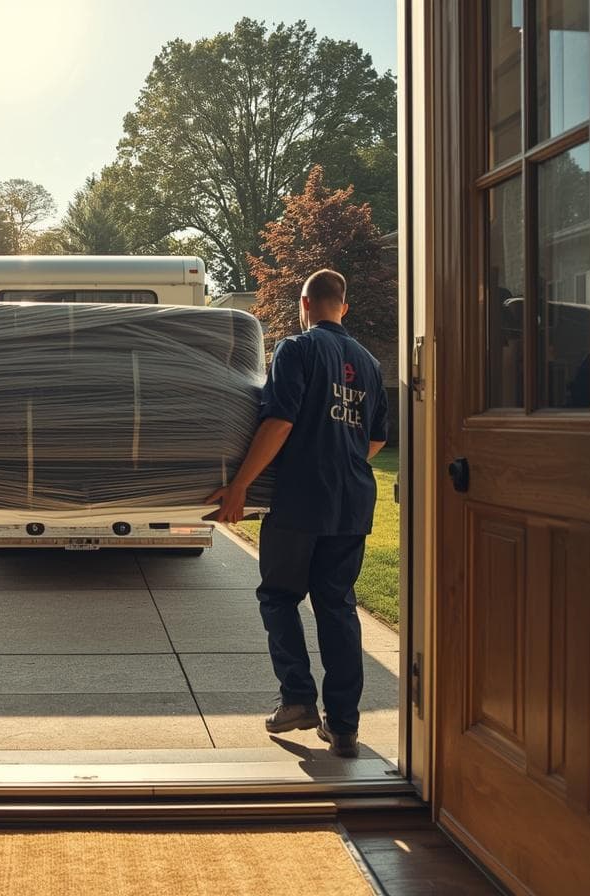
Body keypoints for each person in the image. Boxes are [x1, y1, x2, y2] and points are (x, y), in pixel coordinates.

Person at [207, 269, 388, 759]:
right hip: (352, 501)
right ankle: (345, 727)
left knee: (279, 596)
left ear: (304, 303)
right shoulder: (370, 365)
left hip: (301, 498)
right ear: (343, 307)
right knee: (337, 605)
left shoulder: (297, 349)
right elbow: (376, 439)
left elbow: (279, 421)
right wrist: (343, 460)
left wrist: (239, 486)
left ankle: (297, 701)